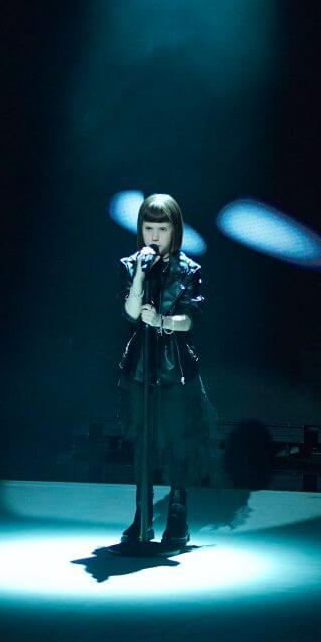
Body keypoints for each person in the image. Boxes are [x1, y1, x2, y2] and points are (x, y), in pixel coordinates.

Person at [117, 193, 214, 549]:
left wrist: (161, 320)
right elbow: (130, 313)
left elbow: (190, 319)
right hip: (141, 365)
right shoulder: (132, 265)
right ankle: (141, 516)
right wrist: (140, 275)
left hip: (176, 366)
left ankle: (177, 515)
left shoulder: (188, 270)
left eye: (162, 228)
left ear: (175, 230)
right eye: (148, 228)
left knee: (177, 441)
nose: (155, 236)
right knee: (142, 442)